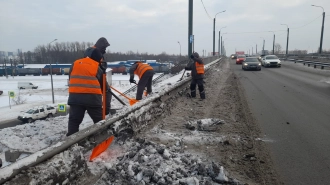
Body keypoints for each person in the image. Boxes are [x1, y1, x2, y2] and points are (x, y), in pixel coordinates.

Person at [66, 38, 111, 136]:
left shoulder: (75, 64)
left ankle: (69, 145)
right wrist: (106, 108)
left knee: (74, 122)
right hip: (93, 99)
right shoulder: (96, 67)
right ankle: (103, 141)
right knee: (100, 123)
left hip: (75, 99)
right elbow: (105, 90)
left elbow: (71, 78)